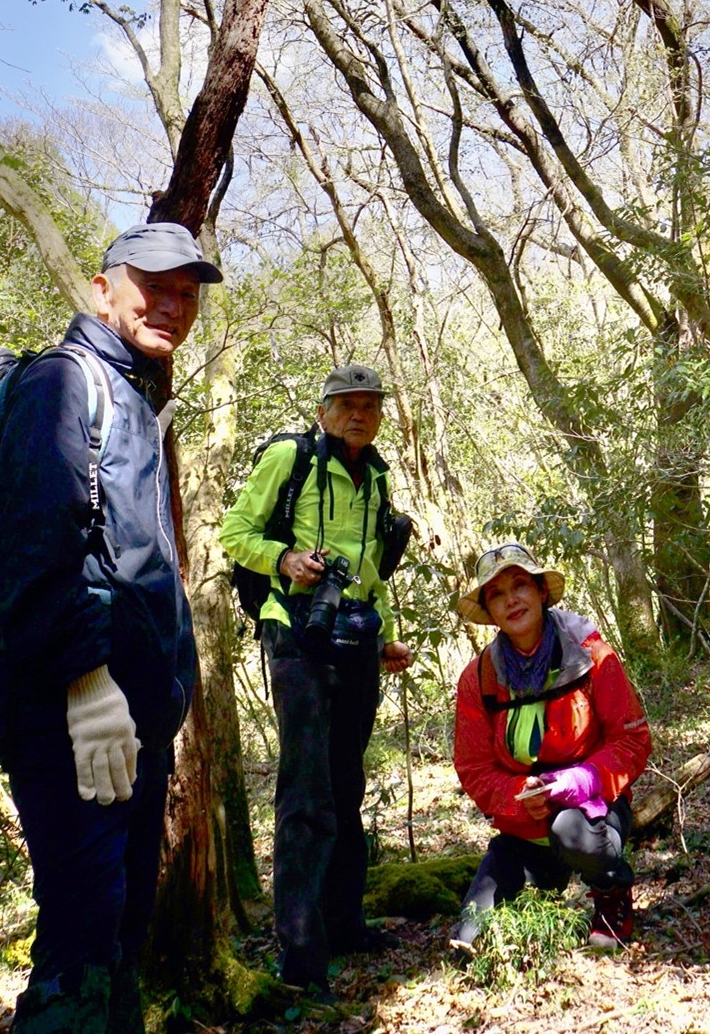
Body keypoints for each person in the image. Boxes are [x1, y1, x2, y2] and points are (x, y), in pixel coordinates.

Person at [0, 221, 220, 1034]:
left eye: (187, 293)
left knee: (117, 939)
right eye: (152, 285)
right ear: (103, 288)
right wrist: (87, 683)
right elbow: (30, 553)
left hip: (127, 729)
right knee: (79, 954)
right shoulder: (63, 381)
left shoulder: (131, 392)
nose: (172, 305)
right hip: (68, 719)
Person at [219, 363, 412, 995]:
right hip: (294, 632)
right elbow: (234, 533)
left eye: (370, 406)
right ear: (324, 411)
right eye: (347, 404)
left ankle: (344, 923)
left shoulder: (377, 477)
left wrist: (383, 637)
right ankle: (301, 957)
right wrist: (285, 559)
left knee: (346, 780)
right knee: (305, 790)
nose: (360, 414)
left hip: (355, 640)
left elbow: (371, 571)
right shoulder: (290, 457)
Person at [449, 543, 651, 955]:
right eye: (497, 594)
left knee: (570, 831)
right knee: (469, 937)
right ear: (490, 612)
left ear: (541, 591)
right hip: (524, 825)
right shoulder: (479, 678)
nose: (512, 600)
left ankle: (610, 891)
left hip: (592, 811)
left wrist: (581, 780)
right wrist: (518, 798)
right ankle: (546, 881)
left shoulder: (591, 654)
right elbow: (472, 767)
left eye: (520, 585)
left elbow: (633, 738)